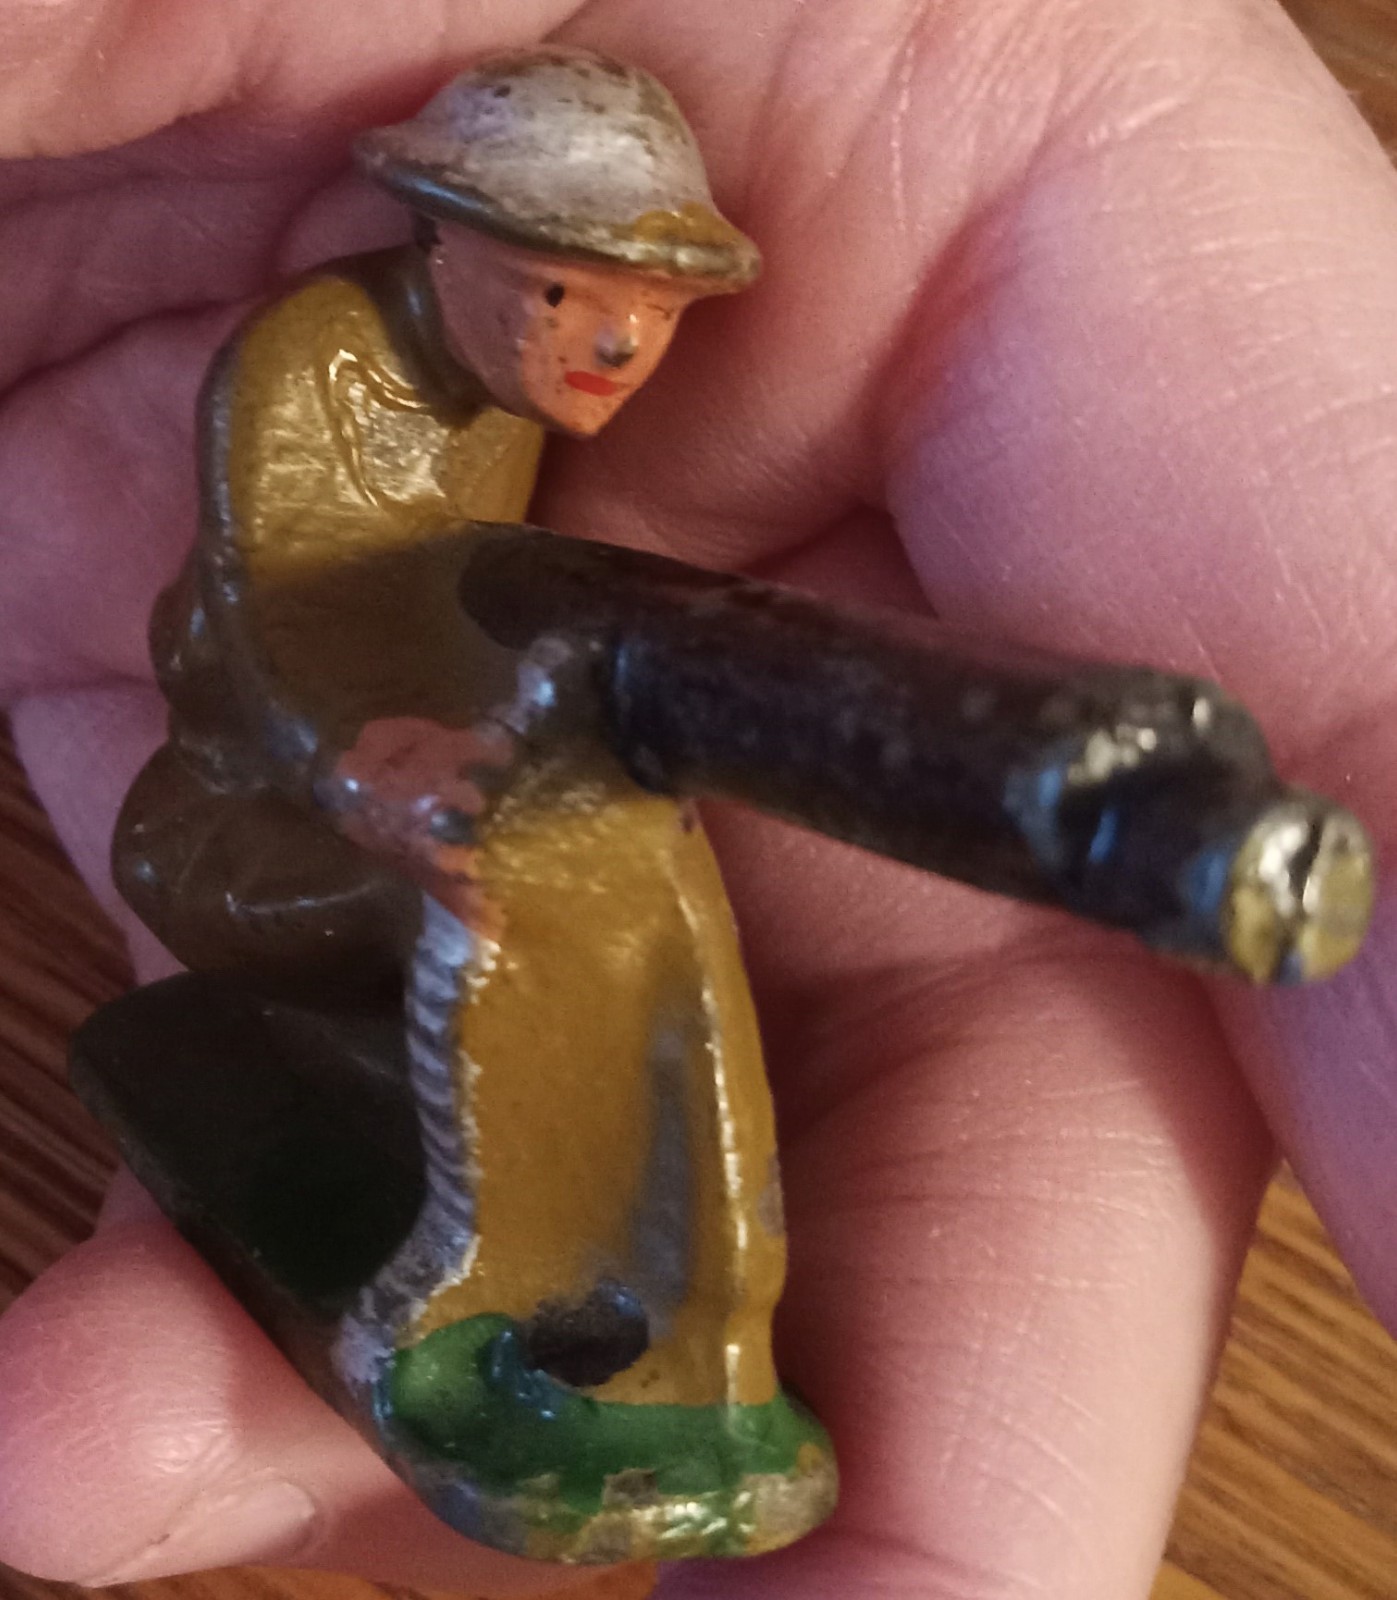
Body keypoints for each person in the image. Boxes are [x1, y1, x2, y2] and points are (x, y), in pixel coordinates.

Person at [0, 0, 1395, 1595]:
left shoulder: (485, 398)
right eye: (561, 291)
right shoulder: (317, 362)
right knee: (547, 873)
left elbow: (473, 604)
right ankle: (482, 1298)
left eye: (650, 313)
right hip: (241, 825)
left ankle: (672, 1332)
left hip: (406, 772)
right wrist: (355, 757)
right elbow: (292, 601)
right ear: (441, 239)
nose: (611, 349)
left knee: (605, 848)